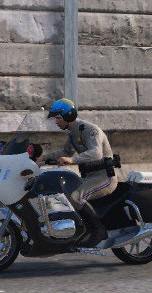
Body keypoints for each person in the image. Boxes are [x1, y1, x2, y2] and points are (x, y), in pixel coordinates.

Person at [38, 99, 117, 247]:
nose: (56, 121)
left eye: (58, 118)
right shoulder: (73, 133)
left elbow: (96, 153)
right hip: (89, 178)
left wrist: (72, 160)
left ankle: (98, 230)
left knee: (76, 197)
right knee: (63, 195)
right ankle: (79, 229)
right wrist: (41, 158)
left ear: (68, 116)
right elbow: (65, 152)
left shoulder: (89, 130)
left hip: (104, 178)